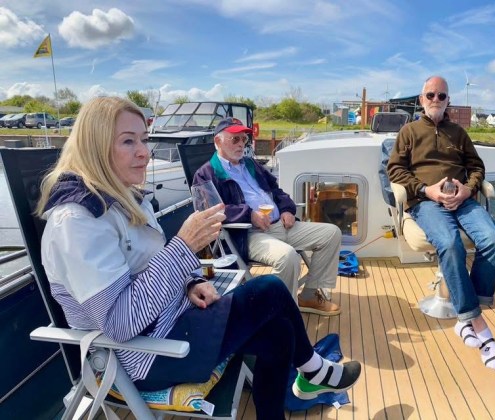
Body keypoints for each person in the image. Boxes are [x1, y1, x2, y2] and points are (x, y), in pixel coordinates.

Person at [36, 97, 361, 419]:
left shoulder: (123, 198)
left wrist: (190, 283)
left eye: (144, 139)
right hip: (145, 355)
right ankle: (314, 371)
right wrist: (184, 245)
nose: (144, 152)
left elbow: (148, 265)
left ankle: (302, 382)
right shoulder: (78, 223)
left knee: (279, 333)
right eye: (128, 141)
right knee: (269, 290)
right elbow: (120, 324)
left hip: (174, 320)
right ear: (95, 147)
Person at [387, 75, 495, 371]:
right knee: (451, 244)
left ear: (448, 100)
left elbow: (476, 167)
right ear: (421, 99)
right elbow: (395, 170)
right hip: (426, 202)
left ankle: (469, 310)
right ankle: (476, 323)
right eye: (431, 95)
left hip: (462, 199)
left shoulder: (459, 132)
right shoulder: (409, 132)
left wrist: (468, 189)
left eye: (441, 96)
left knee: (493, 238)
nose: (436, 100)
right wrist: (425, 190)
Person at [193, 117, 343, 315]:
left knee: (331, 234)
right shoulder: (206, 173)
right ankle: (279, 315)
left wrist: (287, 209)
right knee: (287, 256)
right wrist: (249, 215)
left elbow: (275, 189)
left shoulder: (250, 164)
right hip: (248, 234)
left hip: (280, 224)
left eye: (244, 139)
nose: (241, 144)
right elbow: (210, 212)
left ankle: (308, 296)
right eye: (235, 139)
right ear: (218, 141)